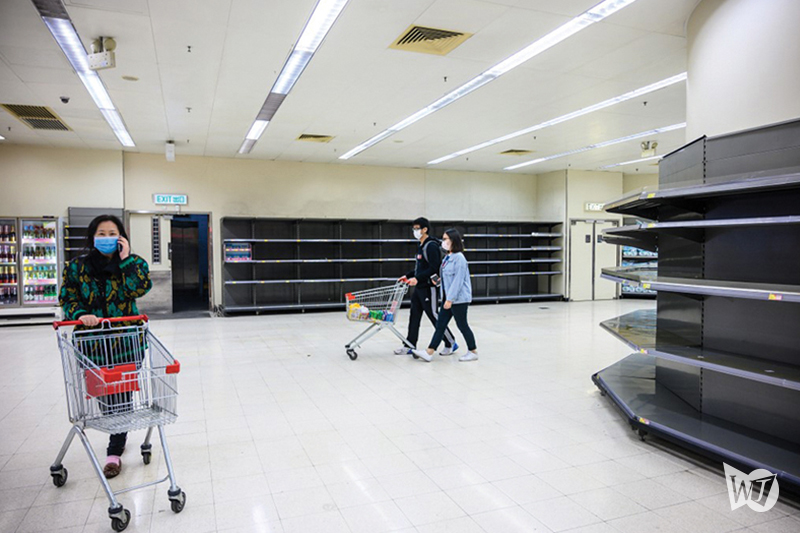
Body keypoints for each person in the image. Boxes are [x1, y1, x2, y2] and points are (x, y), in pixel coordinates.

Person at [59, 215, 152, 478]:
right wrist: (80, 314)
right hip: (92, 345)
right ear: (92, 237)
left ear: (122, 237)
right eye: (101, 233)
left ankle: (114, 451)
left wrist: (126, 260)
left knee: (122, 396)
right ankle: (117, 431)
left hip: (127, 342)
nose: (107, 238)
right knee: (104, 397)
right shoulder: (76, 267)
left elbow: (139, 289)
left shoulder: (135, 264)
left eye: (113, 233)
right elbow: (67, 296)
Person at [412, 228, 478, 362]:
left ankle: (473, 351)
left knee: (462, 325)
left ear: (453, 240)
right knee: (440, 325)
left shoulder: (459, 258)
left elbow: (458, 281)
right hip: (448, 298)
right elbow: (447, 278)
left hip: (458, 299)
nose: (443, 241)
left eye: (445, 239)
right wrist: (438, 282)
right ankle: (429, 352)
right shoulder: (448, 257)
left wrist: (450, 299)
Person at [395, 217, 457, 356]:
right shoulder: (421, 246)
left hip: (429, 287)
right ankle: (409, 345)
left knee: (434, 315)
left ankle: (450, 342)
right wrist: (408, 276)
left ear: (425, 229)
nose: (415, 231)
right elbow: (420, 268)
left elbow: (434, 267)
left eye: (417, 228)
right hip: (419, 288)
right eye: (414, 228)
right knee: (414, 316)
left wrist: (417, 279)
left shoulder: (431, 246)